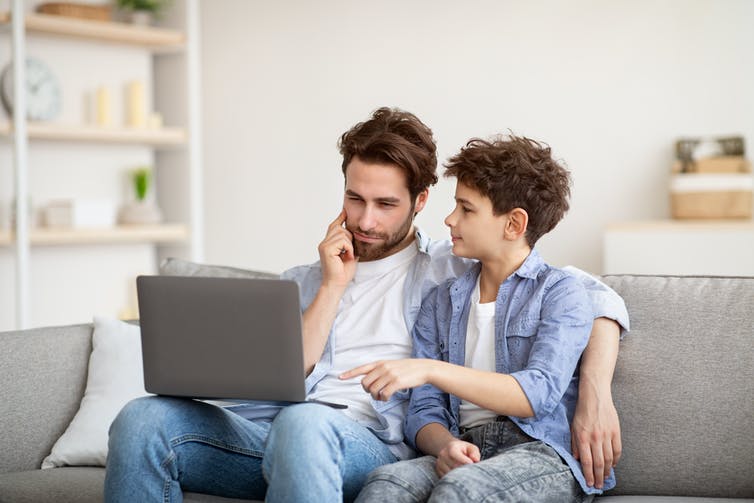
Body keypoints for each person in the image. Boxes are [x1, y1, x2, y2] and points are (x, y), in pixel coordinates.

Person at [104, 108, 627, 502]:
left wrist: (595, 392)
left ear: (421, 201)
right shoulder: (302, 282)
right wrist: (332, 286)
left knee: (304, 424)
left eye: (385, 204)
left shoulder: (452, 271)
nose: (366, 221)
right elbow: (287, 376)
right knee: (142, 420)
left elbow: (593, 295)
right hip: (271, 437)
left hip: (365, 443)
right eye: (355, 199)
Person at [349, 134, 613, 502]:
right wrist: (444, 446)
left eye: (466, 209)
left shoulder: (559, 293)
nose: (449, 218)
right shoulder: (440, 303)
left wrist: (430, 369)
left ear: (513, 225)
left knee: (462, 490)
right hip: (467, 446)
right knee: (386, 485)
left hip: (538, 452)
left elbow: (536, 393)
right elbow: (423, 412)